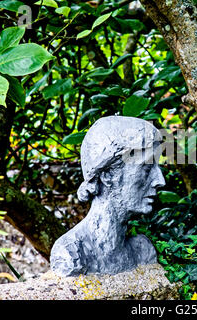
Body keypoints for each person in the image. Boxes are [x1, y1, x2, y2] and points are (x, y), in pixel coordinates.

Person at [50, 116, 165, 276]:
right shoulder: (72, 254)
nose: (160, 181)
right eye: (146, 169)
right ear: (108, 175)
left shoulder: (142, 250)